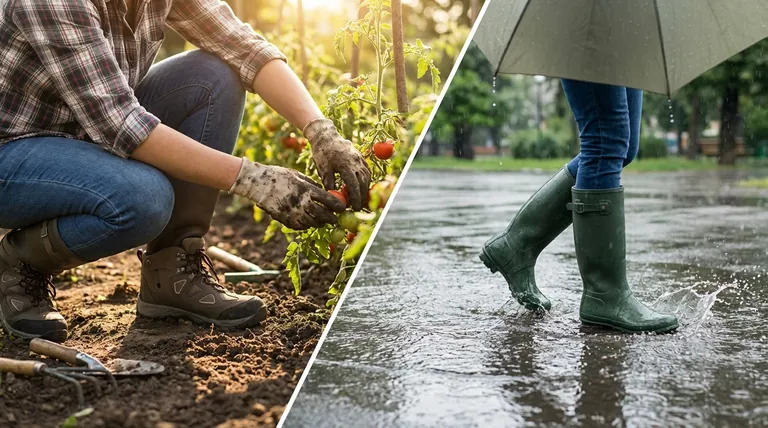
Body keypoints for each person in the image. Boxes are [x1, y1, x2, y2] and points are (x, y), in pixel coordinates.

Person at [0, 0, 371, 343]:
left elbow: (245, 47)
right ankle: (18, 262)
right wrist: (254, 180)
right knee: (143, 199)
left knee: (216, 75)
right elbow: (121, 125)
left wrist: (320, 131)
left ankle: (172, 272)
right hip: (12, 151)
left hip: (81, 132)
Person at [480, 79, 678, 333]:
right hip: (597, 40)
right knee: (605, 138)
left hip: (631, 40)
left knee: (621, 147)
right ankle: (604, 294)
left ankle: (516, 245)